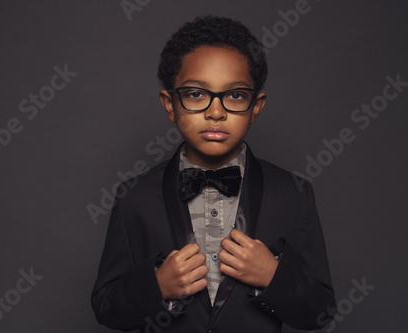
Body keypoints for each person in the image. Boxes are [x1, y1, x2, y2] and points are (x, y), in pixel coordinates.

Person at [91, 15, 336, 332]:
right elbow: (106, 307)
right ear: (170, 104)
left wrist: (275, 278)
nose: (216, 111)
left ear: (256, 107)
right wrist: (157, 286)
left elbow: (321, 311)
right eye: (195, 94)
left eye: (235, 95)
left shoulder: (294, 193)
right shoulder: (134, 197)